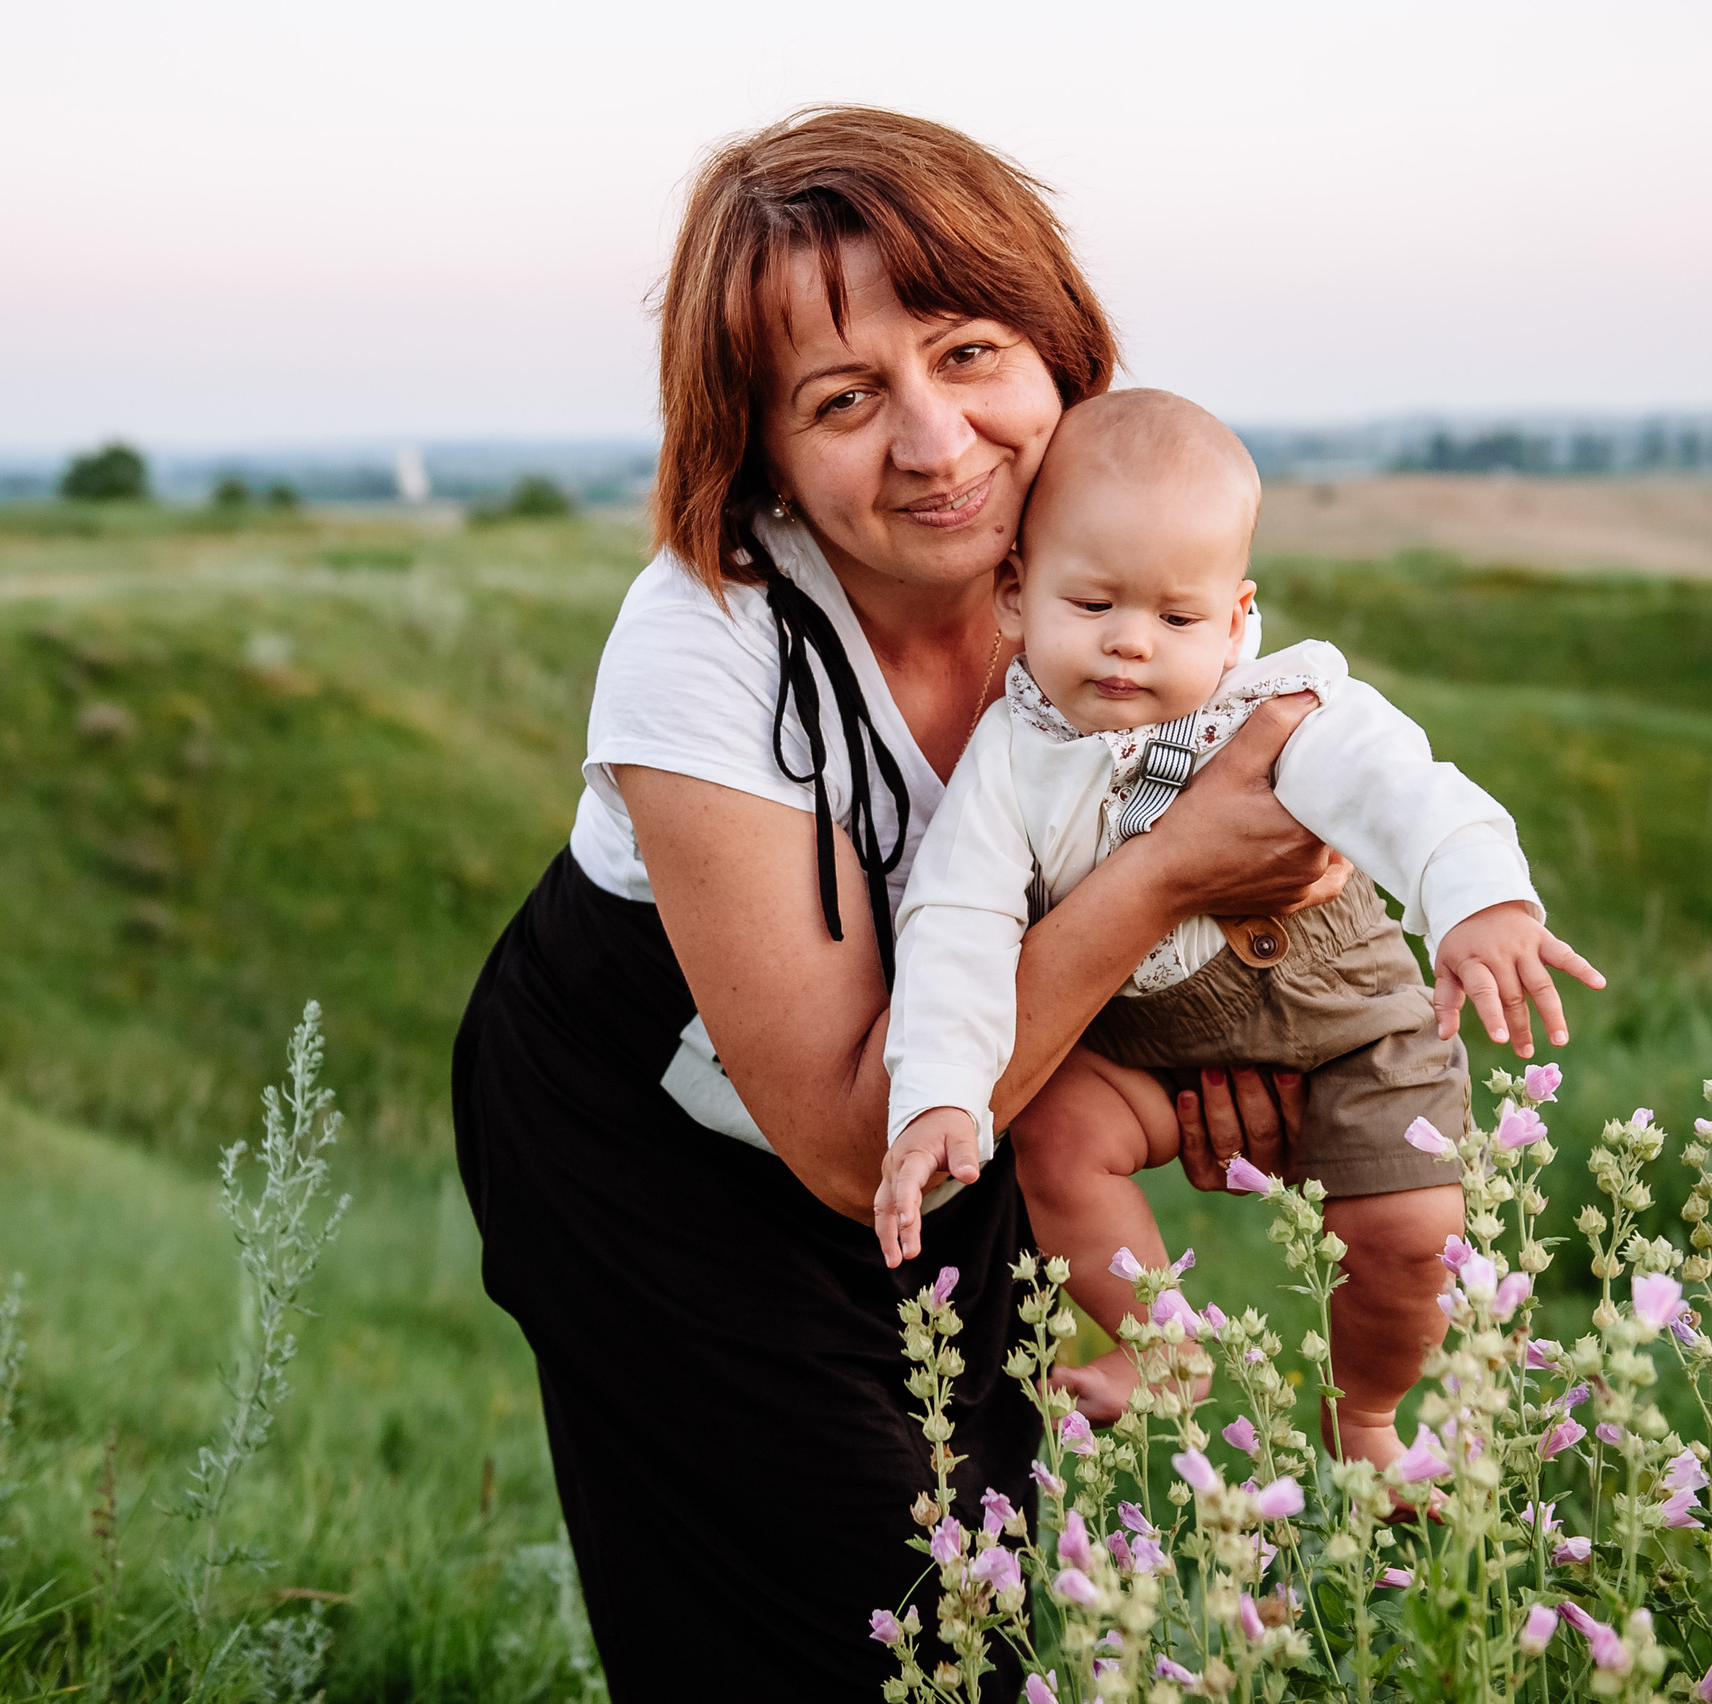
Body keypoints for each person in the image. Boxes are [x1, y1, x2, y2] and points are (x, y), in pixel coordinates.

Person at [452, 107, 1352, 1696]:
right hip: (654, 1140)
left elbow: (1168, 882)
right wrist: (1167, 878)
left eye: (968, 352)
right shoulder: (706, 647)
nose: (936, 446)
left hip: (943, 1084)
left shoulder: (1096, 566)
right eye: (845, 397)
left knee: (989, 1558)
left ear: (1060, 349)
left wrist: (1215, 1065)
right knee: (867, 1610)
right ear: (761, 448)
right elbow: (844, 1136)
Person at [875, 389, 1603, 1467]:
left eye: (1176, 620)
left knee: (1411, 1232)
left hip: (1344, 1021)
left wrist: (1479, 900)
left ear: (1233, 617)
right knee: (1055, 1134)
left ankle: (1365, 1414)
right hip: (1142, 1048)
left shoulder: (1276, 710)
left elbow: (1404, 790)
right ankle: (1161, 1347)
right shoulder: (1011, 756)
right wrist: (940, 1090)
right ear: (1017, 594)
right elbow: (956, 920)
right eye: (1092, 604)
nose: (1129, 643)